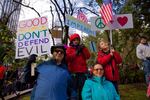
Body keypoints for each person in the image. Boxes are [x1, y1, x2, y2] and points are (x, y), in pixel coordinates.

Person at [66, 33, 91, 100]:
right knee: (74, 90)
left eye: (77, 40)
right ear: (71, 41)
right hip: (73, 73)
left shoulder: (82, 48)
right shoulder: (69, 49)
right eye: (74, 40)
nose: (76, 41)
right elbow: (68, 58)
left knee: (82, 89)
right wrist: (76, 52)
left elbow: (88, 56)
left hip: (82, 72)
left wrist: (84, 48)